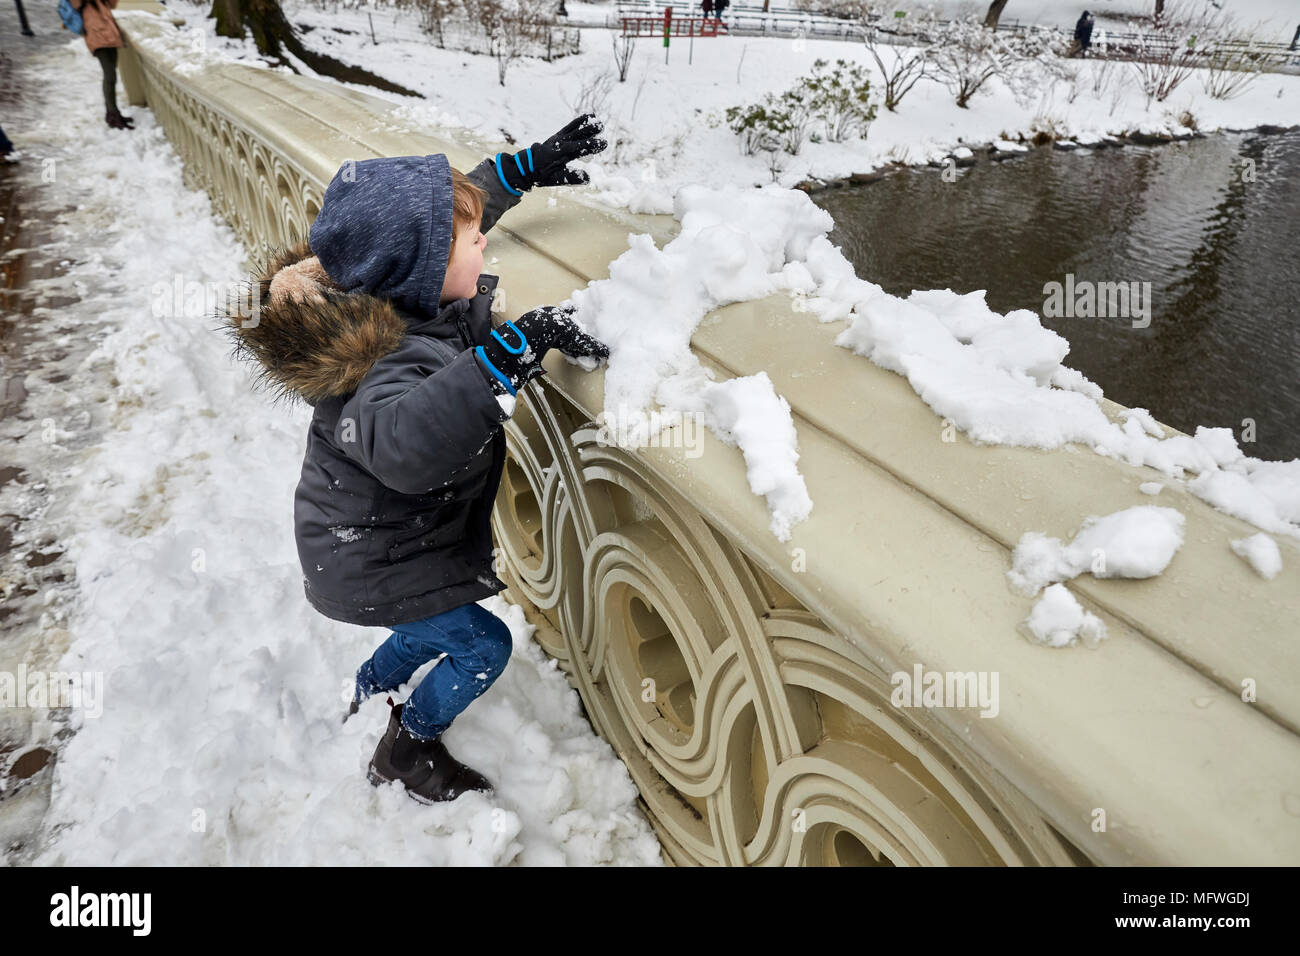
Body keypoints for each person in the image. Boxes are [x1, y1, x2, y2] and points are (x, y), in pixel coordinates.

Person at [222, 115, 610, 805]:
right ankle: (408, 745)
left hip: (374, 545)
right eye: (472, 242)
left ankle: (368, 689)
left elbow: (444, 220)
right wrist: (503, 355)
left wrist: (521, 168)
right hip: (374, 557)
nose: (484, 241)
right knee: (483, 647)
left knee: (422, 629)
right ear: (424, 270)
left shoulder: (398, 289)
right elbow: (407, 446)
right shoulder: (389, 356)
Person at [71, 0, 133, 129]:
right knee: (109, 76)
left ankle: (113, 113)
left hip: (110, 36)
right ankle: (113, 115)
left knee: (112, 77)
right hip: (98, 38)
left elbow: (112, 4)